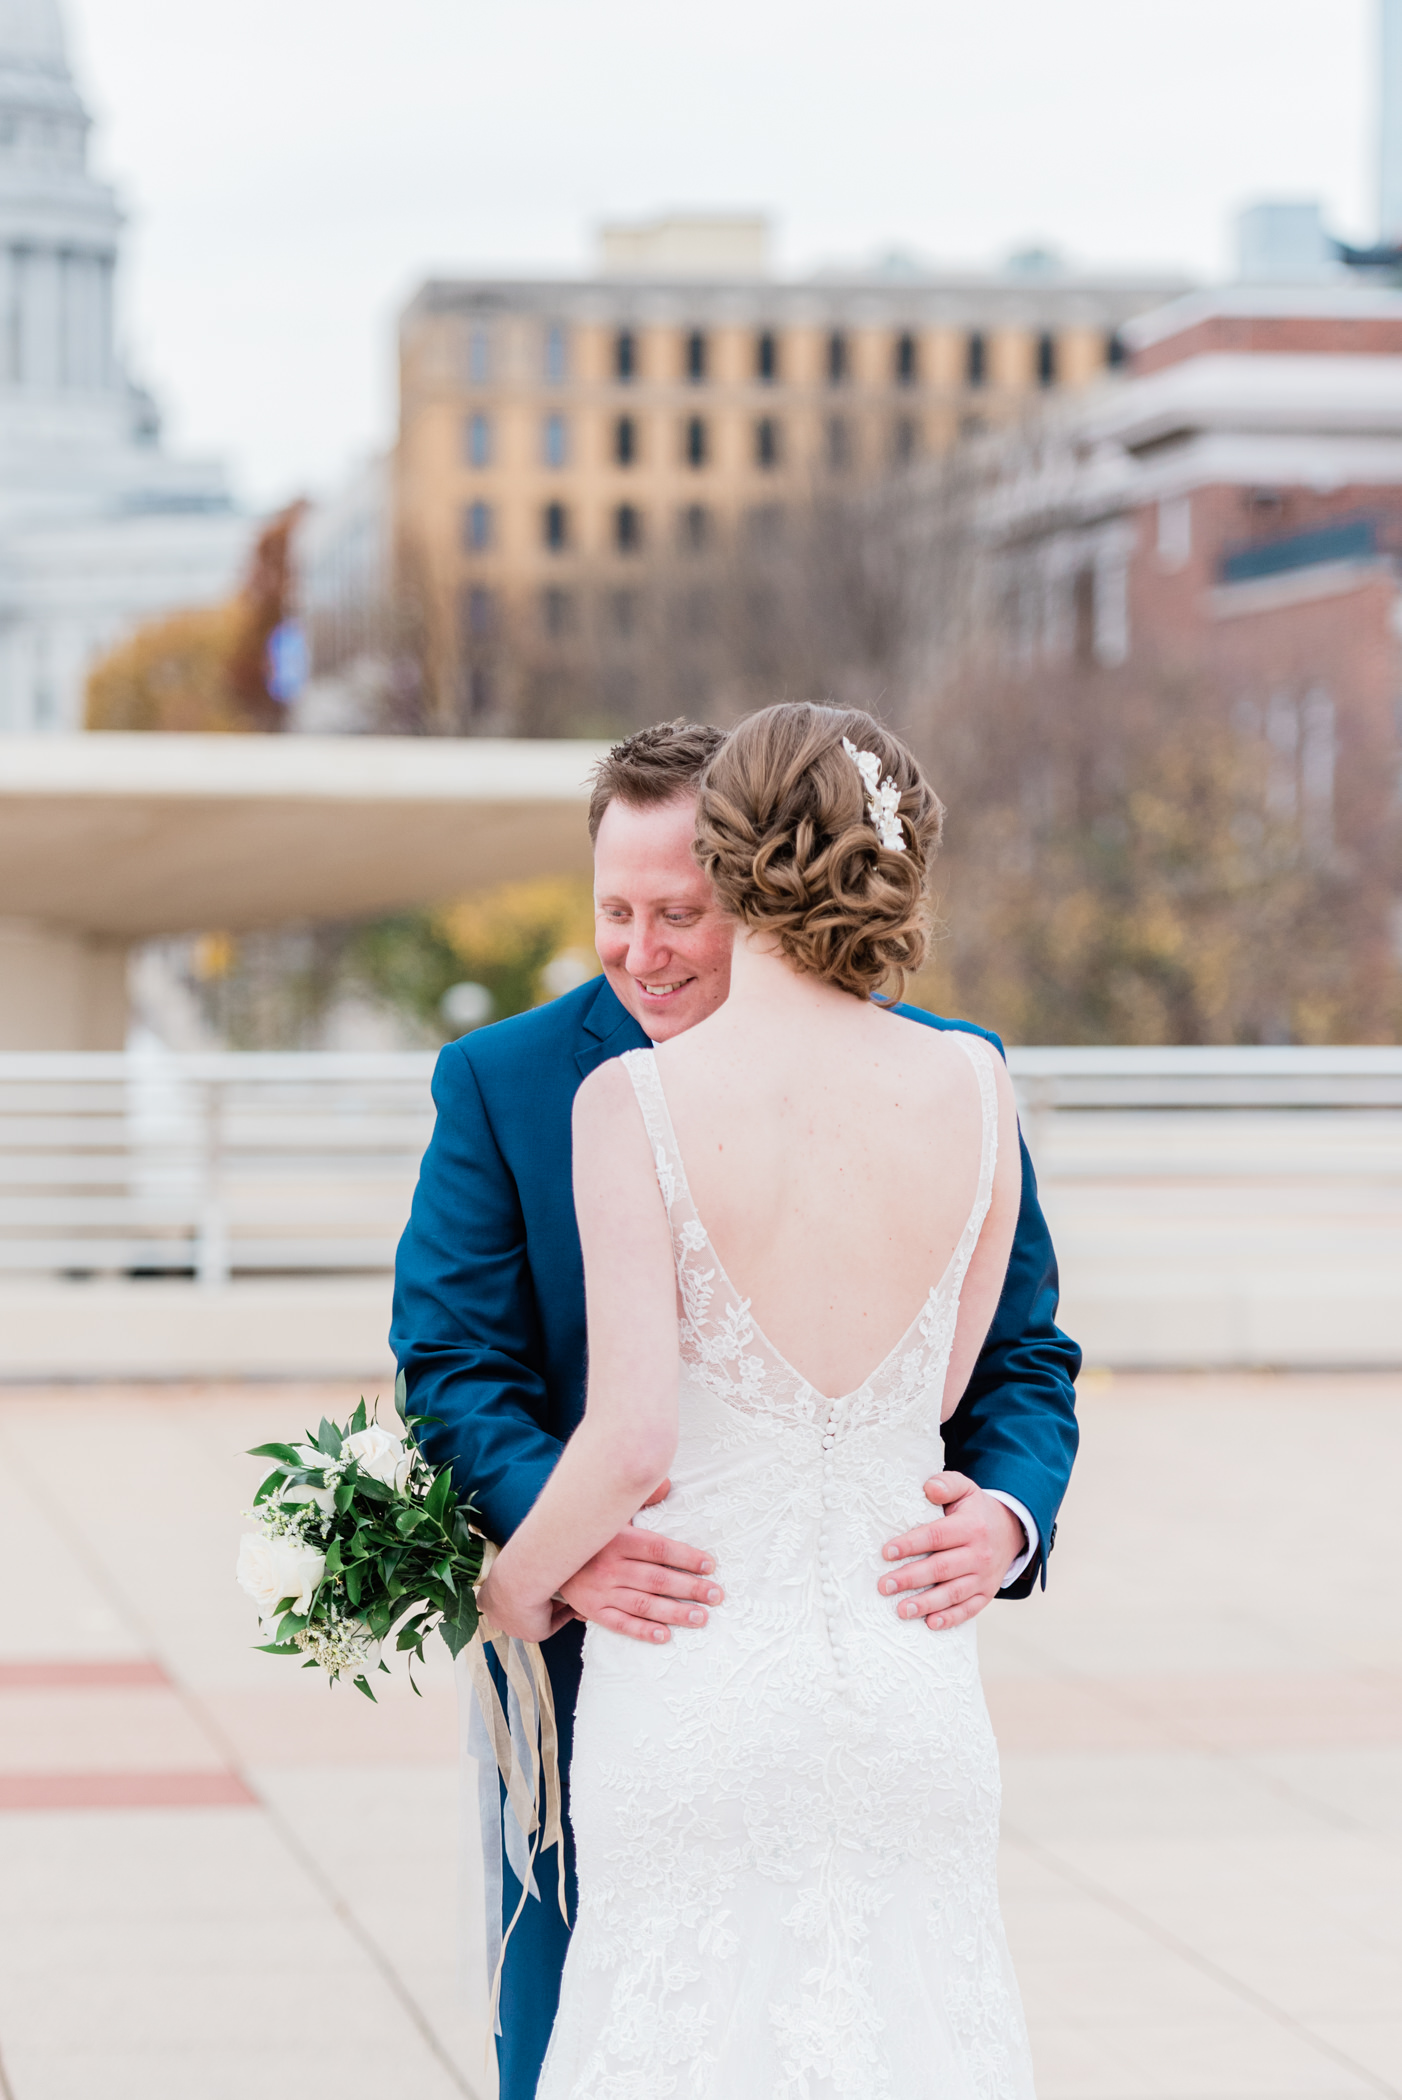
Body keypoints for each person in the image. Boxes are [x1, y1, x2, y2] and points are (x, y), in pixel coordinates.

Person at [391, 715, 1079, 2100]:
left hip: (716, 1685)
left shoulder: (651, 1102)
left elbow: (1017, 1361)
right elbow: (451, 1359)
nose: (642, 951)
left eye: (678, 913)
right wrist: (563, 1553)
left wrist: (1003, 1520)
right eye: (615, 913)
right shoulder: (512, 1078)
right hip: (705, 1666)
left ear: (745, 874)